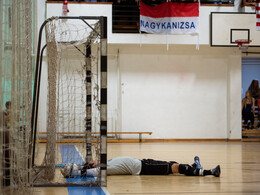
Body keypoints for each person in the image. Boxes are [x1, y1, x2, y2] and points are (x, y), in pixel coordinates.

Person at [61, 156, 221, 178]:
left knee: (172, 164)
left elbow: (95, 164)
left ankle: (193, 167)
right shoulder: (102, 169)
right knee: (174, 168)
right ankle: (208, 172)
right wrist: (79, 171)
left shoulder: (106, 162)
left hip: (142, 161)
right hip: (143, 167)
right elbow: (92, 172)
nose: (94, 161)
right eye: (92, 163)